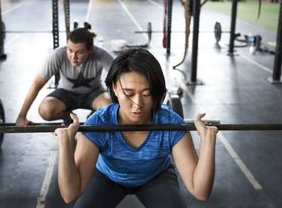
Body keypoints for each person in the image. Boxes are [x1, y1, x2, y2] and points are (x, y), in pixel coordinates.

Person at [54, 48, 218, 207]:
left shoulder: (171, 124)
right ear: (115, 88)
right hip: (108, 176)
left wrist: (208, 142)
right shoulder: (99, 123)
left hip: (155, 176)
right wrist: (65, 144)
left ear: (156, 92)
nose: (137, 104)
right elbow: (70, 194)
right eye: (129, 93)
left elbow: (200, 191)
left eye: (146, 94)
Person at [16, 24, 114, 126]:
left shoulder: (101, 55)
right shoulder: (57, 55)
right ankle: (68, 116)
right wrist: (22, 116)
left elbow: (120, 80)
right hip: (66, 93)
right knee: (45, 111)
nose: (73, 57)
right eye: (70, 50)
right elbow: (37, 84)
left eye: (79, 52)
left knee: (110, 109)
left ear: (90, 50)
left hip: (94, 93)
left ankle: (94, 117)